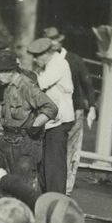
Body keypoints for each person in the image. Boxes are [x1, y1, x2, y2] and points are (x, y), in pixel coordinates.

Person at [0, 51, 57, 206]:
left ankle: (27, 220)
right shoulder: (6, 86)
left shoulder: (26, 85)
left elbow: (51, 108)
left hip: (24, 144)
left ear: (10, 71)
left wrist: (35, 126)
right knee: (3, 182)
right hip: (8, 141)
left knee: (23, 187)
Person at [43, 27, 97, 195]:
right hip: (51, 111)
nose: (51, 43)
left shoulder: (73, 59)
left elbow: (87, 82)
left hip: (73, 111)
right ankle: (49, 184)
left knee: (70, 150)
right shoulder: (45, 59)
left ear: (61, 39)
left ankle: (66, 188)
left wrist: (92, 107)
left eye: (54, 39)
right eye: (48, 39)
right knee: (52, 149)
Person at [28, 37, 74, 194]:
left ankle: (55, 200)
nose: (34, 59)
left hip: (59, 120)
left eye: (37, 55)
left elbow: (39, 84)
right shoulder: (47, 65)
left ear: (48, 53)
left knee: (54, 165)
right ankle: (45, 197)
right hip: (49, 120)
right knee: (44, 164)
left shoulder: (59, 64)